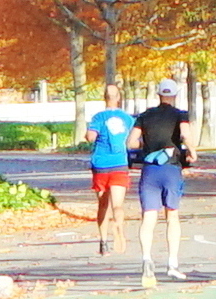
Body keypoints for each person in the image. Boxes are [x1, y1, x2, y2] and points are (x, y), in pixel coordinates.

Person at [127, 77, 198, 287]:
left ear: (158, 95)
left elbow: (131, 142)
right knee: (172, 216)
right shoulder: (180, 115)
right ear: (174, 95)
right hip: (171, 169)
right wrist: (192, 151)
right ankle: (172, 264)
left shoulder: (145, 116)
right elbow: (185, 135)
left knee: (148, 217)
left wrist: (146, 143)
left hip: (150, 170)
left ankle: (147, 260)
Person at [85, 83, 134, 256]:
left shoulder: (98, 117)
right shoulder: (128, 119)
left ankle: (103, 241)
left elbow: (90, 137)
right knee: (118, 204)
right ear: (119, 98)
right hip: (120, 163)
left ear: (104, 98)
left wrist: (90, 135)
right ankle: (118, 225)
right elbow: (135, 140)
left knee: (103, 204)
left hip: (101, 165)